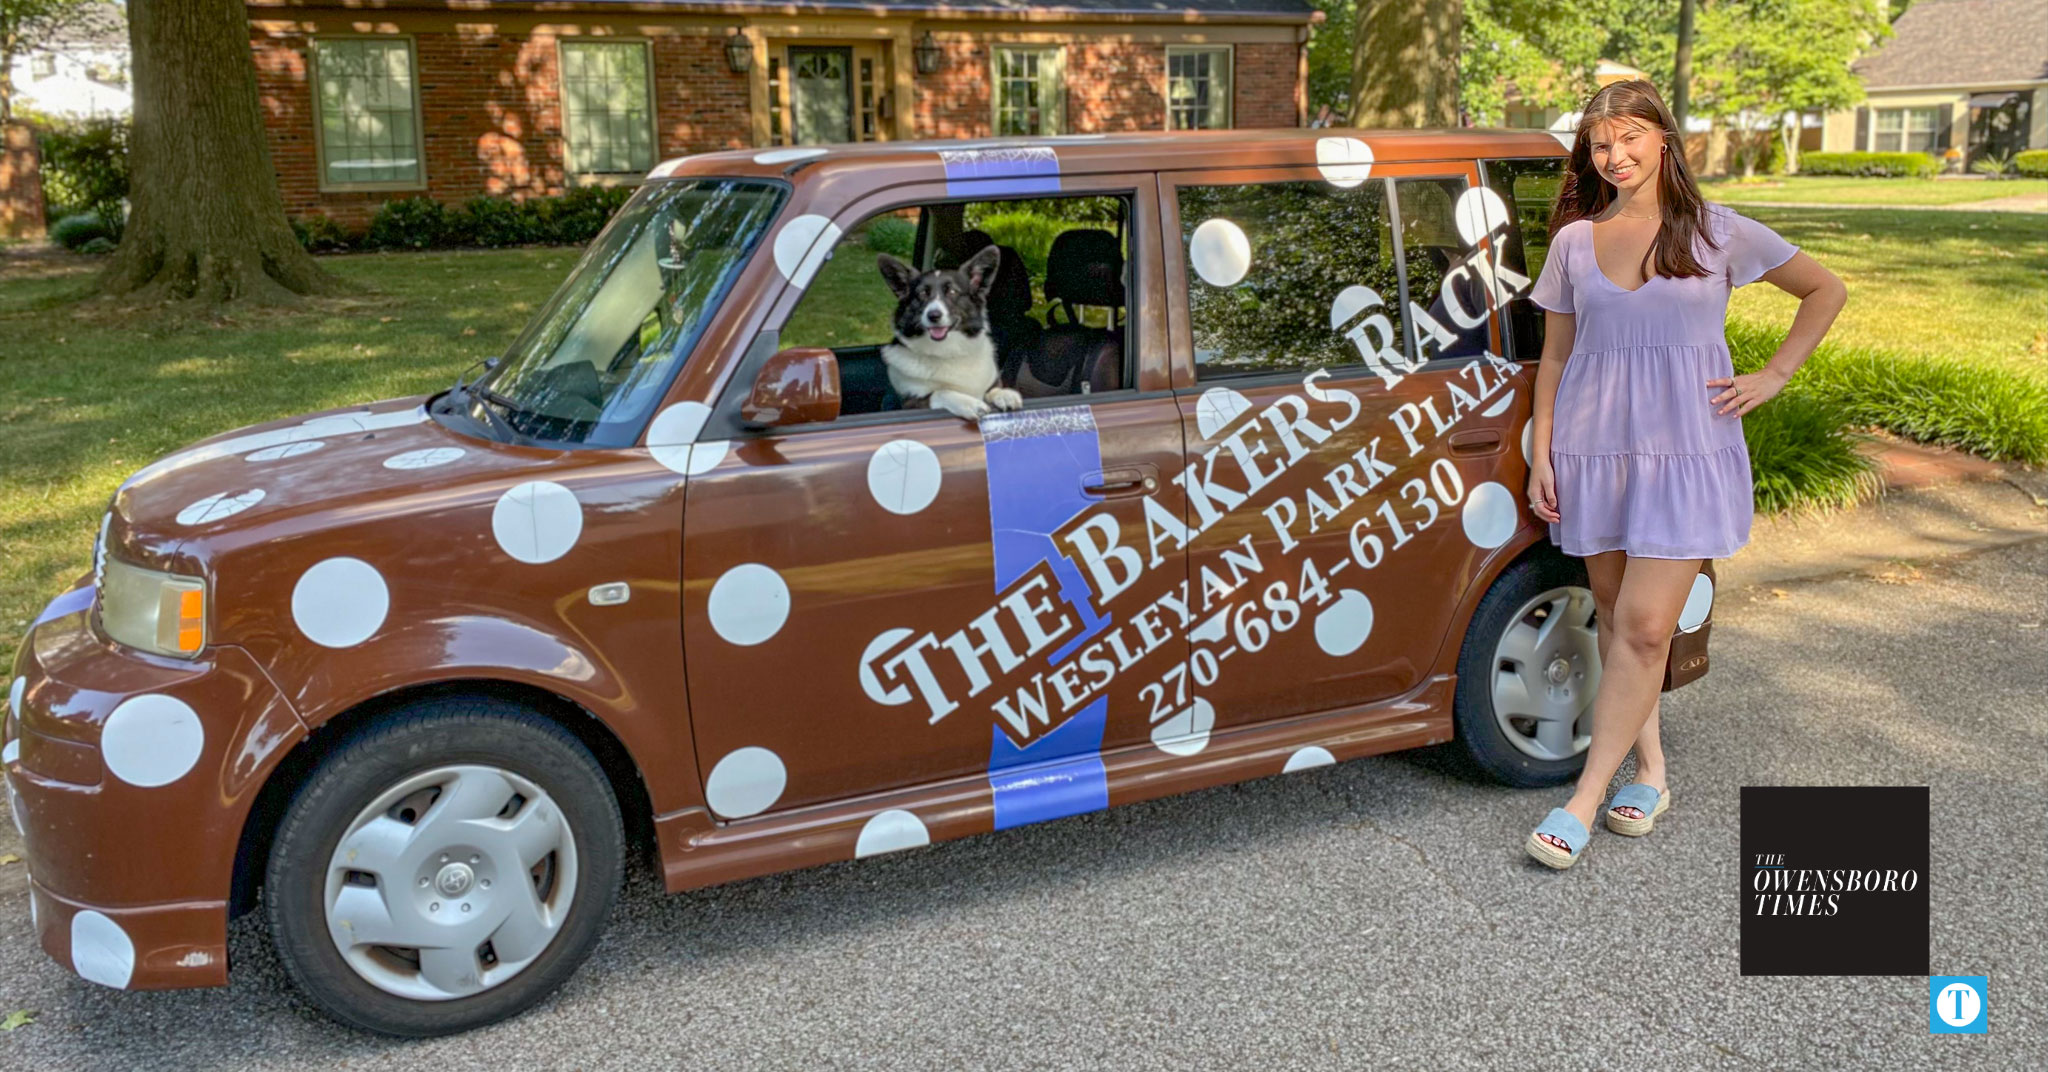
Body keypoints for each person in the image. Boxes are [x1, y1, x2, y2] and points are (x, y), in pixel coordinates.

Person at [1520, 80, 1847, 869]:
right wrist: (1542, 454)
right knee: (1615, 613)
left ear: (1665, 138)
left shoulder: (1715, 232)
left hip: (1684, 456)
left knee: (1642, 628)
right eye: (1600, 144)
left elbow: (1825, 290)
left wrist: (1773, 375)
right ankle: (1654, 771)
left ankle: (1584, 798)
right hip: (1595, 453)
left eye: (1630, 137)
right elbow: (1557, 357)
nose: (1616, 156)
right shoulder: (1574, 243)